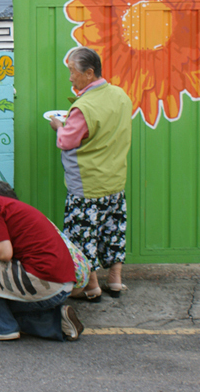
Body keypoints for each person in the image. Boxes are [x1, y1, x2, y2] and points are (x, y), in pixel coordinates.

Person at [0, 172, 83, 342]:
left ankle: (2, 327)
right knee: (0, 309)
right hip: (59, 284)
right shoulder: (3, 203)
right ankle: (56, 322)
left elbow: (4, 253)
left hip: (47, 282)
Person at [50, 46, 132, 301]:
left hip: (86, 185)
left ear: (89, 72)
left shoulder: (83, 107)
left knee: (82, 233)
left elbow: (67, 141)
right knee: (113, 229)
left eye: (73, 72)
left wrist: (58, 126)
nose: (70, 77)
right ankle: (116, 280)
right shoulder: (120, 96)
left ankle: (91, 286)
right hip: (115, 180)